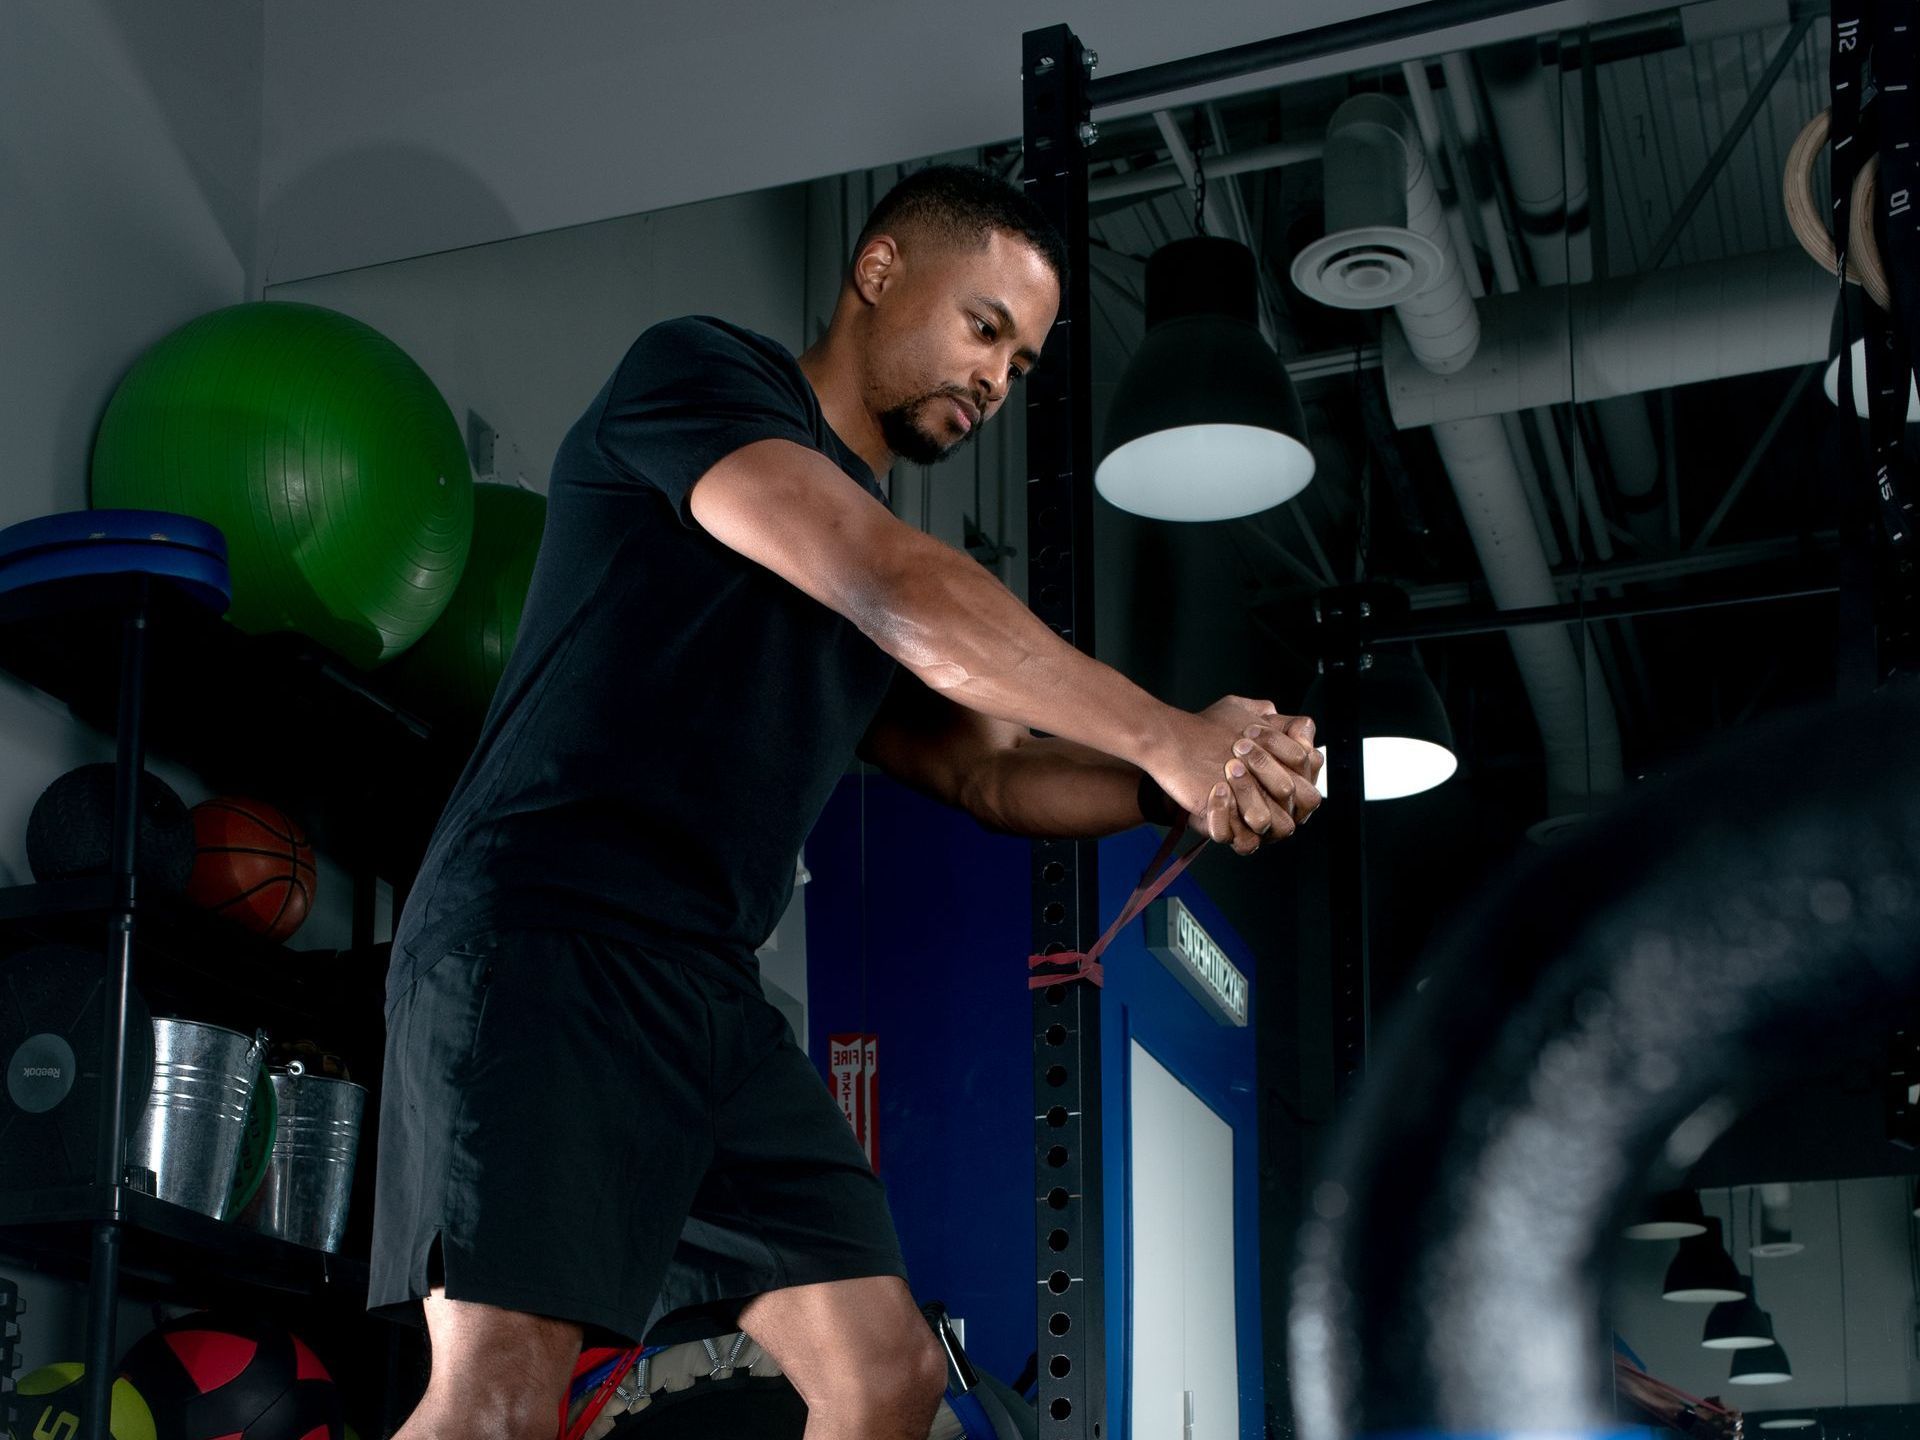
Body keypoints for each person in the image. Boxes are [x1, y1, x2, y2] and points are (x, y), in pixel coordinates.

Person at [368, 164, 1323, 1440]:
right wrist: (1168, 733)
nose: (996, 379)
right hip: (546, 938)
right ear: (879, 272)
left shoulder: (883, 568)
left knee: (887, 1374)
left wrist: (1185, 789)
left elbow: (989, 773)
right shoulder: (704, 379)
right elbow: (887, 583)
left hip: (702, 989)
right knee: (499, 1394)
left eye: (1022, 364)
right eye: (985, 328)